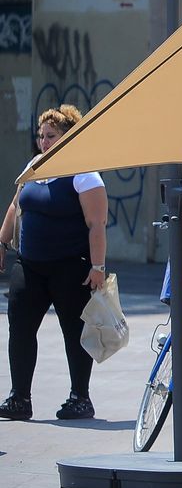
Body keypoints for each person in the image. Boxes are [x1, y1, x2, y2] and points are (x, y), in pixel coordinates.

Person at [0, 106, 109, 421]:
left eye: (51, 136)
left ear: (68, 136)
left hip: (71, 266)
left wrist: (98, 268)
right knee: (19, 327)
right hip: (30, 264)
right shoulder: (34, 166)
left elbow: (97, 224)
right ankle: (19, 398)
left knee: (74, 331)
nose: (44, 142)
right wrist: (2, 242)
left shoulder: (85, 173)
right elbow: (14, 206)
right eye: (41, 136)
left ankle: (80, 398)